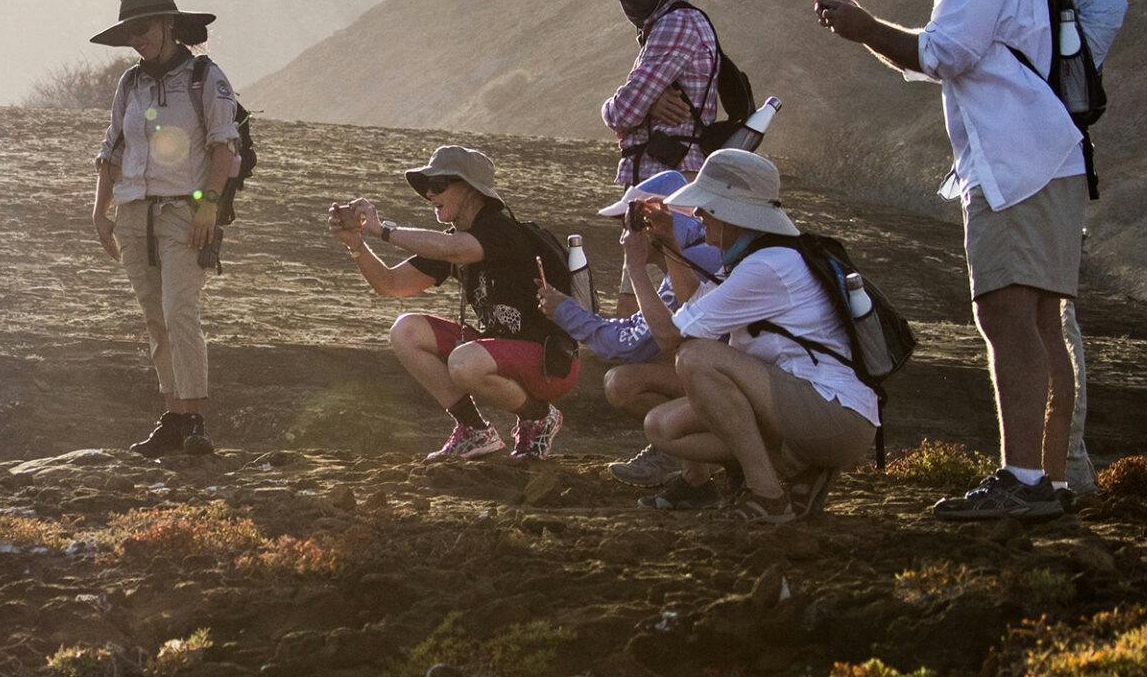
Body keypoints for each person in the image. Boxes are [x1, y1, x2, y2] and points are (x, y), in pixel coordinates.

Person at [814, 0, 1085, 523]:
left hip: (1014, 163)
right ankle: (1046, 478)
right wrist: (869, 32)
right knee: (1040, 320)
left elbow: (944, 52)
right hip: (1043, 154)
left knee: (1005, 315)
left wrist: (860, 25)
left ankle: (1024, 478)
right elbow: (940, 56)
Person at [581, 149, 879, 524]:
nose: (700, 215)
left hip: (832, 414)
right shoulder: (757, 259)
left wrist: (637, 267)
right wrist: (670, 244)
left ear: (731, 212)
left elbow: (672, 337)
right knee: (662, 427)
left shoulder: (768, 267)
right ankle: (799, 471)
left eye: (707, 206)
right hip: (805, 408)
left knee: (696, 358)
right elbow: (694, 306)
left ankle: (768, 497)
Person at [983, 0, 1127, 502]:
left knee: (1042, 321)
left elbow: (1110, 4)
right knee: (1048, 317)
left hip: (1035, 151)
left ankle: (1059, 470)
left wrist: (1054, 86)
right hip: (1047, 146)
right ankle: (1065, 470)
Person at [332, 146, 577, 460]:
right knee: (406, 330)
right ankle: (474, 430)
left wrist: (383, 230)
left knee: (464, 361)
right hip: (494, 352)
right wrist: (357, 245)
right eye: (426, 187)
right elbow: (390, 285)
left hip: (548, 360)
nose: (430, 194)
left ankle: (538, 417)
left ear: (473, 191)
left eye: (440, 184)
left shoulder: (501, 231)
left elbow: (454, 249)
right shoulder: (455, 242)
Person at [91, 0, 241, 459]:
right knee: (156, 320)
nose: (137, 39)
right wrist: (101, 209)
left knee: (180, 312)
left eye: (143, 28)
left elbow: (224, 146)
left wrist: (208, 207)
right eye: (130, 31)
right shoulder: (129, 85)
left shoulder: (206, 77)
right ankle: (174, 417)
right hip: (134, 214)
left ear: (169, 25)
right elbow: (113, 148)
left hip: (184, 213)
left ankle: (194, 417)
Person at [562, 170, 726, 500]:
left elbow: (633, 344)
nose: (626, 234)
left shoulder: (695, 261)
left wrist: (564, 312)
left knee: (623, 381)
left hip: (742, 389)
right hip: (744, 379)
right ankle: (694, 473)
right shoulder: (697, 256)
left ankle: (680, 448)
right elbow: (642, 331)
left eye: (634, 223)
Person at [589, 0, 724, 191]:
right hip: (668, 175)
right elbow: (635, 105)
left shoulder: (675, 24)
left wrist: (633, 106)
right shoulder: (680, 21)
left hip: (663, 178)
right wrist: (648, 104)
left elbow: (623, 112)